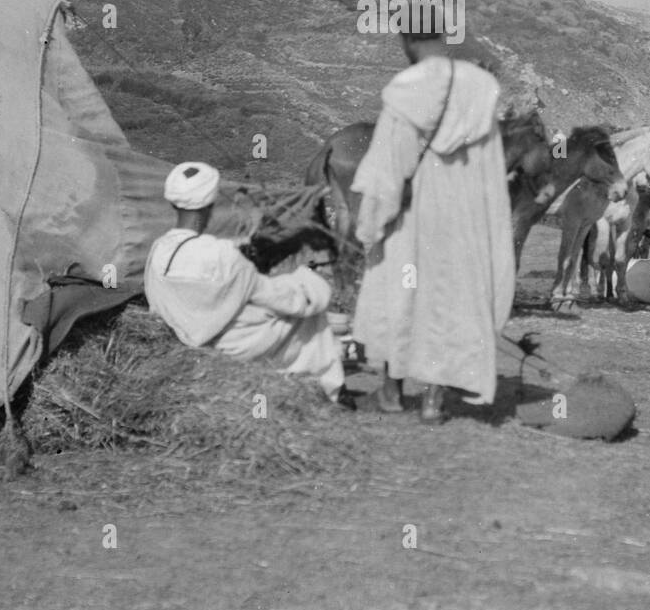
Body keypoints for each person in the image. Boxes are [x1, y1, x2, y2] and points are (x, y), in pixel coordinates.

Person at [351, 27, 516, 422]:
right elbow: (492, 169)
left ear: (408, 41)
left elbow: (386, 172)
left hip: (414, 218)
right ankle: (433, 402)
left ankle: (391, 394)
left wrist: (369, 229)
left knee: (401, 296)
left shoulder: (408, 89)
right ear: (443, 37)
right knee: (449, 301)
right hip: (465, 218)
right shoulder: (480, 87)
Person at [145, 161, 354, 408]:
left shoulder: (158, 249)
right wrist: (310, 281)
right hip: (231, 345)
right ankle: (333, 389)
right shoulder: (221, 254)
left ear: (172, 202)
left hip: (187, 334)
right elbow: (280, 298)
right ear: (210, 205)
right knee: (309, 313)